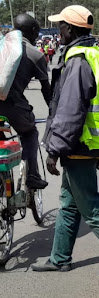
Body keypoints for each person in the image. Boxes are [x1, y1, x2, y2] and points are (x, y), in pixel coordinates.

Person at [32, 5, 99, 275]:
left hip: (78, 144)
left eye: (60, 27)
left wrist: (54, 149)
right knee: (68, 204)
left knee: (90, 204)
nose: (58, 32)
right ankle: (59, 258)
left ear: (70, 29)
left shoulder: (78, 60)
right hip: (91, 142)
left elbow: (70, 110)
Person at [0, 14, 52, 189]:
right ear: (33, 32)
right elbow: (46, 90)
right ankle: (32, 176)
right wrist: (54, 112)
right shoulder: (35, 55)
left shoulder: (2, 44)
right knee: (29, 133)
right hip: (12, 105)